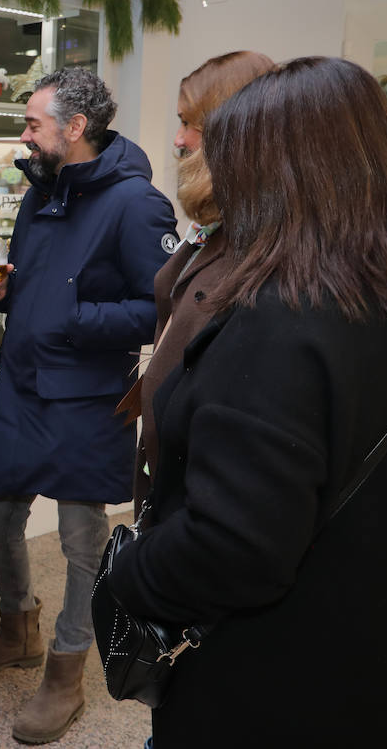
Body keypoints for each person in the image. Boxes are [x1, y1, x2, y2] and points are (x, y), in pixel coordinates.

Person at [107, 56, 387, 747]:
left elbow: (231, 547)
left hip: (275, 686)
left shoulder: (278, 320)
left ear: (279, 176)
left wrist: (130, 571)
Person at [0, 66, 177, 744]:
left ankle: (65, 673)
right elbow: (38, 286)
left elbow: (160, 308)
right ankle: (16, 627)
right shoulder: (39, 193)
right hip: (22, 387)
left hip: (86, 398)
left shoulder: (138, 204)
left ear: (75, 128)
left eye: (32, 123)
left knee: (83, 542)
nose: (23, 134)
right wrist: (5, 297)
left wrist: (74, 317)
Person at [125, 50, 276, 505]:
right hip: (171, 473)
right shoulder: (219, 224)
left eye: (191, 123)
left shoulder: (261, 239)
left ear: (235, 127)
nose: (179, 139)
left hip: (204, 489)